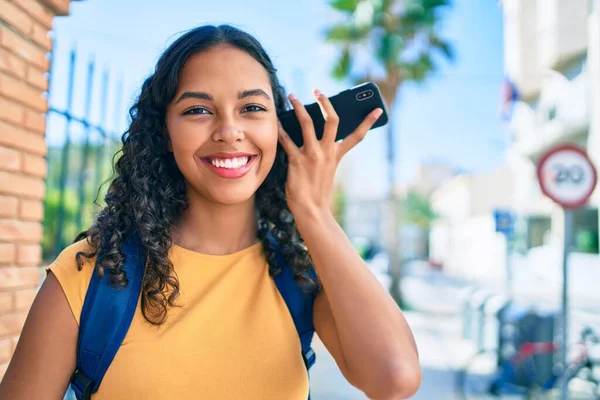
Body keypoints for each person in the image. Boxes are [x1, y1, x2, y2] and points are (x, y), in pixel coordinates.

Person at [0, 25, 421, 400]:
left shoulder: (301, 276)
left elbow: (394, 379)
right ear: (164, 134)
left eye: (252, 108)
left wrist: (312, 210)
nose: (229, 131)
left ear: (280, 127)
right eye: (198, 110)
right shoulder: (89, 274)